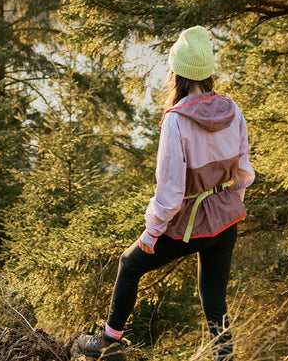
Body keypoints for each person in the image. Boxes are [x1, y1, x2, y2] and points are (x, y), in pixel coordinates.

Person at [76, 26, 255, 361]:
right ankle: (225, 358)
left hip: (191, 225)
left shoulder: (176, 120)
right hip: (227, 219)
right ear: (208, 72)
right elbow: (244, 173)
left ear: (177, 74)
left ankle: (109, 343)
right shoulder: (233, 110)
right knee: (214, 300)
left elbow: (170, 191)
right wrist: (231, 205)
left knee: (129, 264)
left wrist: (153, 230)